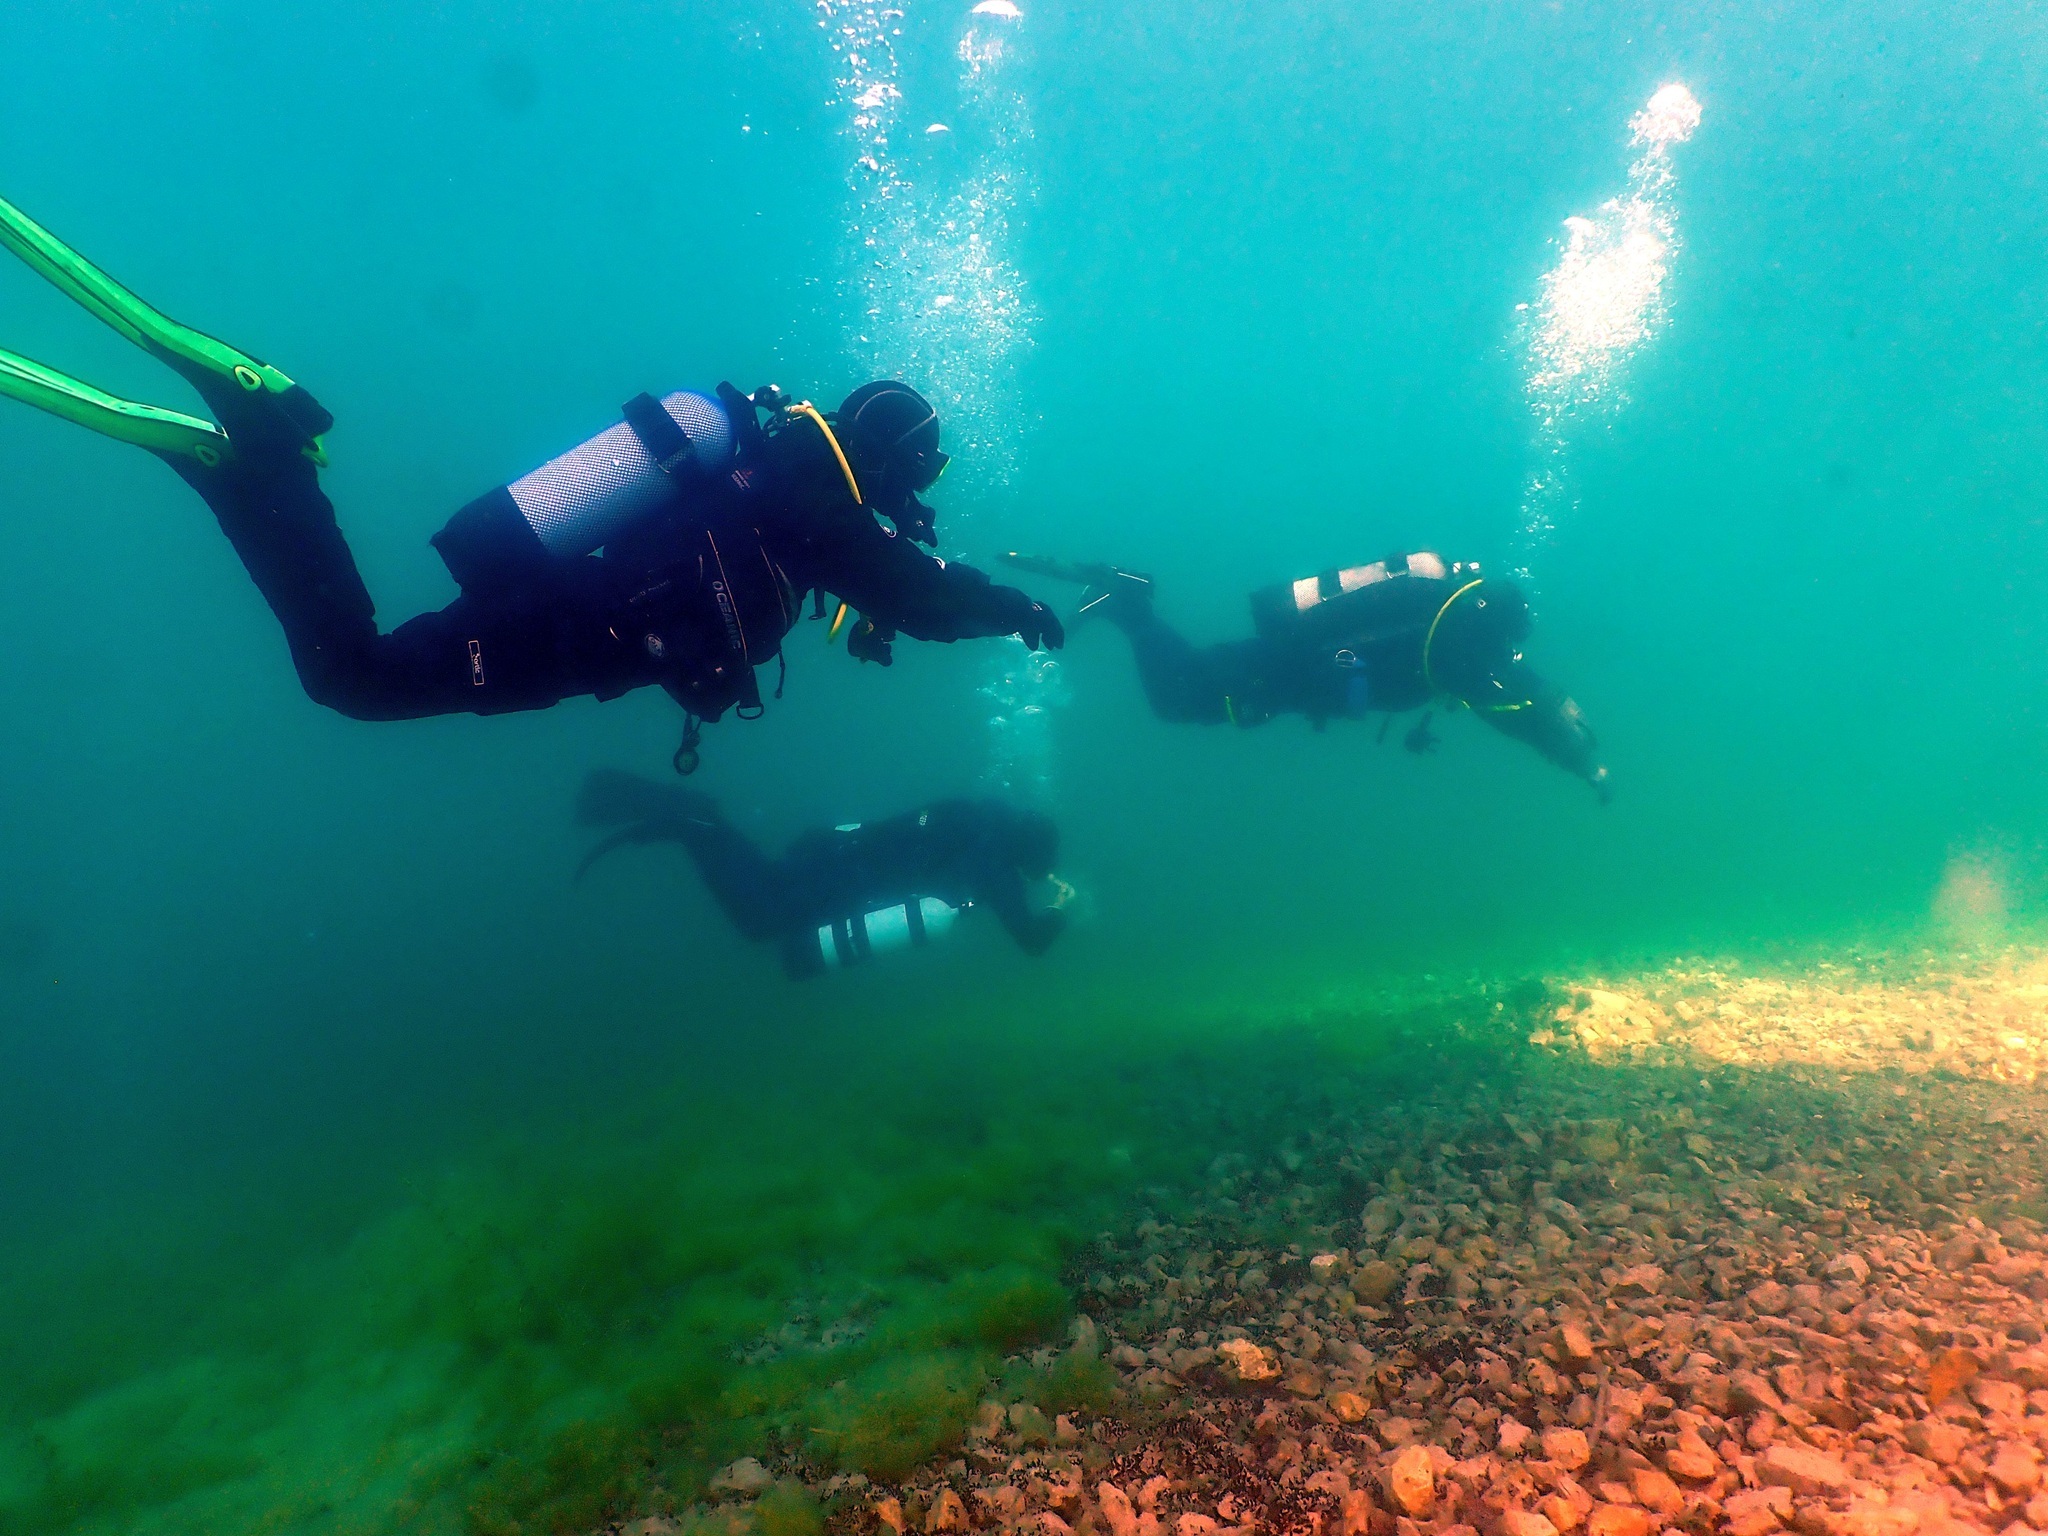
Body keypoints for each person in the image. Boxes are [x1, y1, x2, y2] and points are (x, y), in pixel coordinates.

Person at [0, 194, 1062, 768]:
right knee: (354, 678)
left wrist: (882, 612)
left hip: (569, 609)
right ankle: (256, 450)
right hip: (569, 626)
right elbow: (914, 592)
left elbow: (868, 580)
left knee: (356, 673)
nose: (917, 495)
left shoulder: (780, 472)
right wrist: (1015, 610)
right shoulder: (808, 494)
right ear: (888, 456)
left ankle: (245, 467)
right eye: (921, 471)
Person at [1004, 551, 1611, 800]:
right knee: (1176, 696)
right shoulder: (1460, 649)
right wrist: (1580, 760)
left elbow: (1506, 697)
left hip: (1292, 671)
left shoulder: (1452, 630)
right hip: (1286, 672)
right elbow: (1509, 711)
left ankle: (1127, 605)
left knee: (1183, 689)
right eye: (1506, 643)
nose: (1505, 655)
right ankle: (1128, 602)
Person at [575, 770, 1071, 977]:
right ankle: (695, 820)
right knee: (759, 919)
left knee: (763, 900)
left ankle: (691, 820)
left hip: (837, 851)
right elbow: (1031, 940)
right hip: (849, 880)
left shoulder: (981, 818)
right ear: (1029, 853)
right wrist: (1061, 908)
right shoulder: (996, 860)